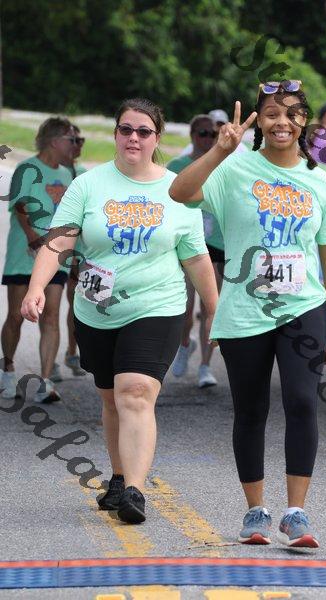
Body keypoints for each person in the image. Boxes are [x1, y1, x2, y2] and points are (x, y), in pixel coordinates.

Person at [170, 80, 326, 548]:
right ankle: (256, 511)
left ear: (304, 121)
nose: (281, 122)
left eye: (291, 113)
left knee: (303, 401)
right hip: (245, 310)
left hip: (303, 308)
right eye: (271, 113)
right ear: (258, 121)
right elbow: (179, 191)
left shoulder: (320, 180)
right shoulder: (234, 169)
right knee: (251, 410)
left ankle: (296, 514)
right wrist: (219, 150)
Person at [20, 98, 218, 525]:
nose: (133, 138)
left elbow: (196, 258)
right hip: (98, 310)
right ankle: (118, 475)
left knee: (136, 391)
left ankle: (134, 490)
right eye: (126, 129)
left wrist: (215, 309)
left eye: (144, 131)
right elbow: (59, 241)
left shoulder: (177, 189)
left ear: (157, 139)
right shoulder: (88, 185)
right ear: (115, 134)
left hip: (158, 306)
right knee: (111, 398)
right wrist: (36, 288)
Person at [0, 117, 74, 403]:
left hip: (55, 256)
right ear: (54, 141)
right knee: (17, 315)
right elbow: (19, 205)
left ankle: (45, 382)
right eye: (70, 139)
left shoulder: (67, 174)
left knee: (51, 315)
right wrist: (32, 236)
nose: (74, 144)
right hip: (25, 255)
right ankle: (8, 371)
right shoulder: (27, 168)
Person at [168, 115, 224, 387]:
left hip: (217, 243)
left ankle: (205, 366)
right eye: (203, 134)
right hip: (186, 242)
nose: (208, 139)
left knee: (211, 307)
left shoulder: (223, 165)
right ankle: (183, 344)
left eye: (213, 134)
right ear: (192, 135)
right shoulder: (177, 166)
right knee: (186, 307)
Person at [50, 124, 87, 382]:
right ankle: (50, 361)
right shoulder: (50, 172)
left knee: (77, 304)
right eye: (72, 140)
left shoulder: (84, 174)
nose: (77, 145)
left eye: (80, 140)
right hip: (53, 247)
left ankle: (72, 353)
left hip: (79, 251)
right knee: (50, 308)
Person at [180, 109, 248, 157]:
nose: (218, 129)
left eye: (221, 124)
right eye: (214, 125)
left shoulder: (239, 148)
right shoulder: (193, 149)